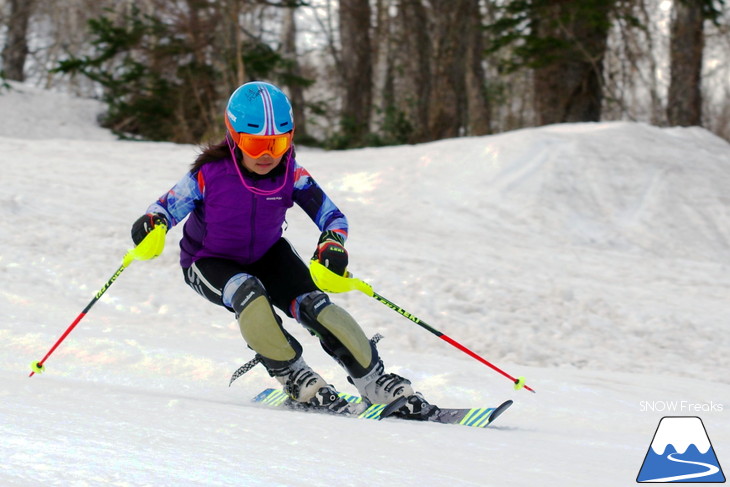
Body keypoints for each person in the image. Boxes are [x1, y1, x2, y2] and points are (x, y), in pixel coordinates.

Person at [131, 81, 428, 415]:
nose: (267, 155)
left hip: (267, 254)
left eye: (278, 143)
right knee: (249, 295)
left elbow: (332, 216)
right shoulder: (209, 174)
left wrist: (332, 244)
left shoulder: (291, 174)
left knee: (317, 307)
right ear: (234, 137)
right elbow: (165, 208)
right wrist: (151, 224)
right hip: (209, 260)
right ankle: (294, 376)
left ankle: (374, 381)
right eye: (255, 144)